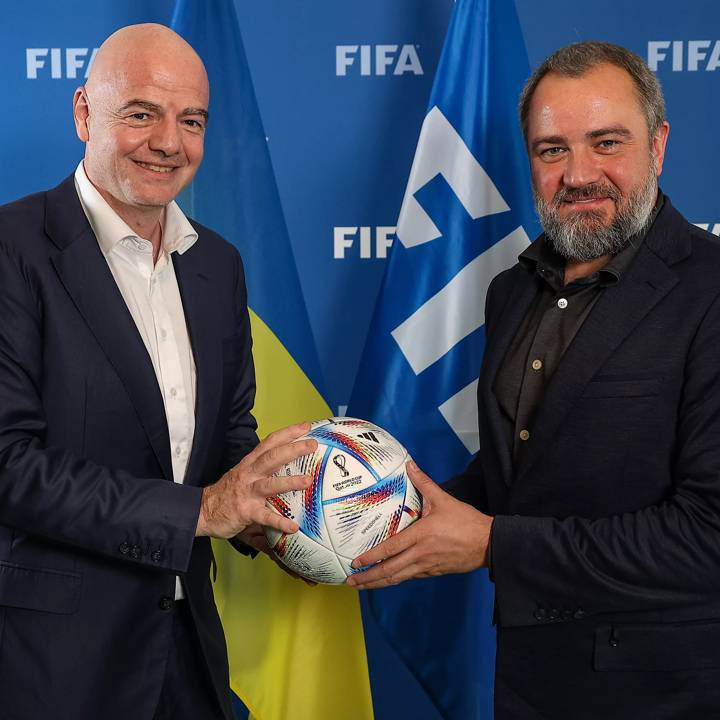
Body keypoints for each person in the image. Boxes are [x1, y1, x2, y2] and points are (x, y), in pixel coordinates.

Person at [348, 41, 720, 718]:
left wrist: (493, 543)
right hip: (527, 683)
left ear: (659, 145)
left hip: (667, 694)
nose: (579, 174)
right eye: (552, 150)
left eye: (607, 143)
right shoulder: (511, 291)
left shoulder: (711, 290)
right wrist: (365, 513)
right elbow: (519, 479)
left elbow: (707, 535)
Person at [0, 23, 314, 720]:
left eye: (191, 120)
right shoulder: (11, 250)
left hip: (188, 653)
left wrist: (286, 514)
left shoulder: (217, 265)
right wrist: (204, 510)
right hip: (50, 666)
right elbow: (9, 466)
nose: (169, 142)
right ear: (84, 112)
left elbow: (230, 433)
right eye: (141, 112)